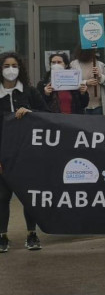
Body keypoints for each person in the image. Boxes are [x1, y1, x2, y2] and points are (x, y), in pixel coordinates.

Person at [0, 52, 48, 252]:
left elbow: (47, 116)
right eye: (6, 65)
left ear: (20, 68)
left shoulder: (29, 92)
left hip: (27, 153)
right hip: (3, 153)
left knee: (29, 196)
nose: (11, 69)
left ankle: (32, 234)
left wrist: (31, 114)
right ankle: (2, 236)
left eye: (14, 65)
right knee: (2, 197)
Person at [71, 46, 105, 115]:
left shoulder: (100, 65)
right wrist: (86, 82)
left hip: (98, 106)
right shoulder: (74, 65)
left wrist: (100, 76)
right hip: (82, 106)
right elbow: (70, 83)